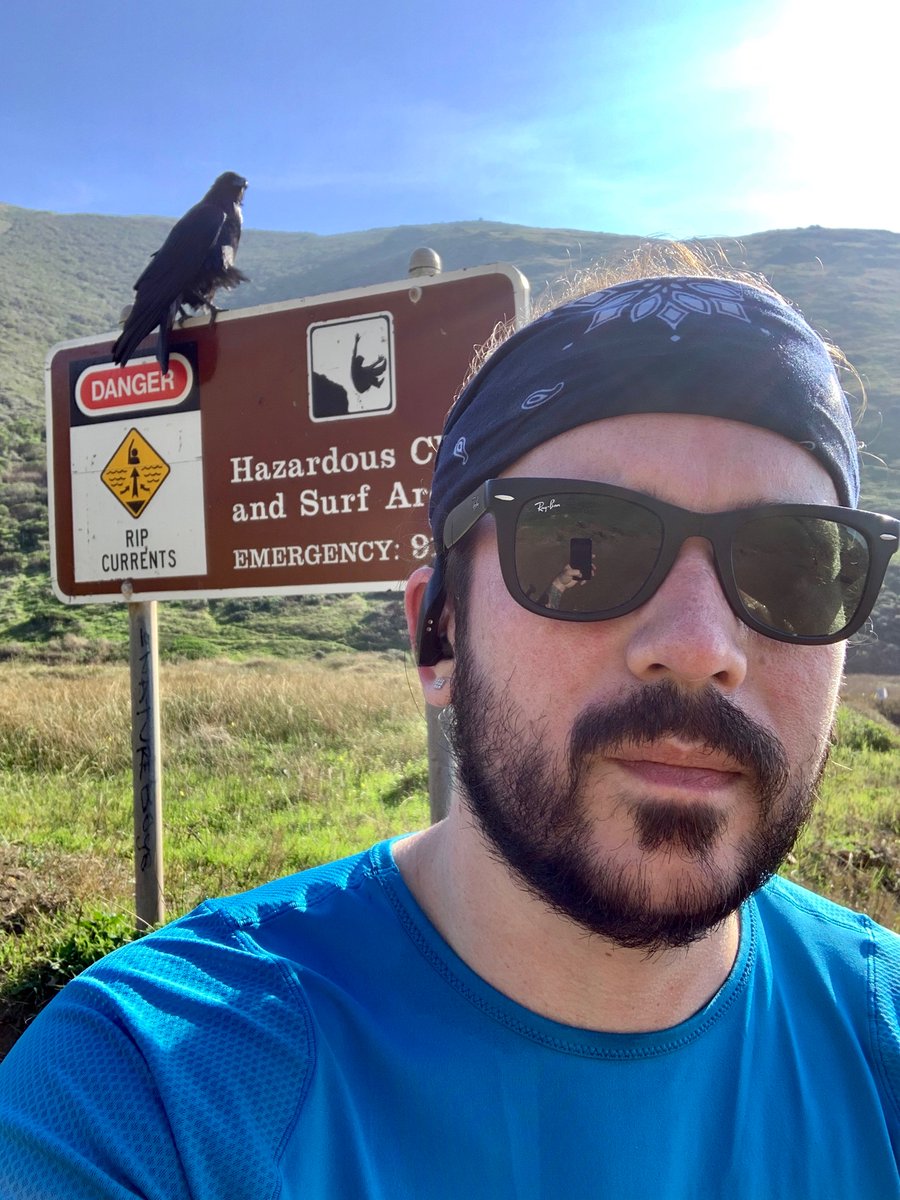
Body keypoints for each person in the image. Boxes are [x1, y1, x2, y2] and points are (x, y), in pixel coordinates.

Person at [1, 255, 900, 1199]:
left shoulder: (880, 1044)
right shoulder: (150, 1095)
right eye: (579, 549)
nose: (701, 646)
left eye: (798, 565)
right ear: (440, 635)